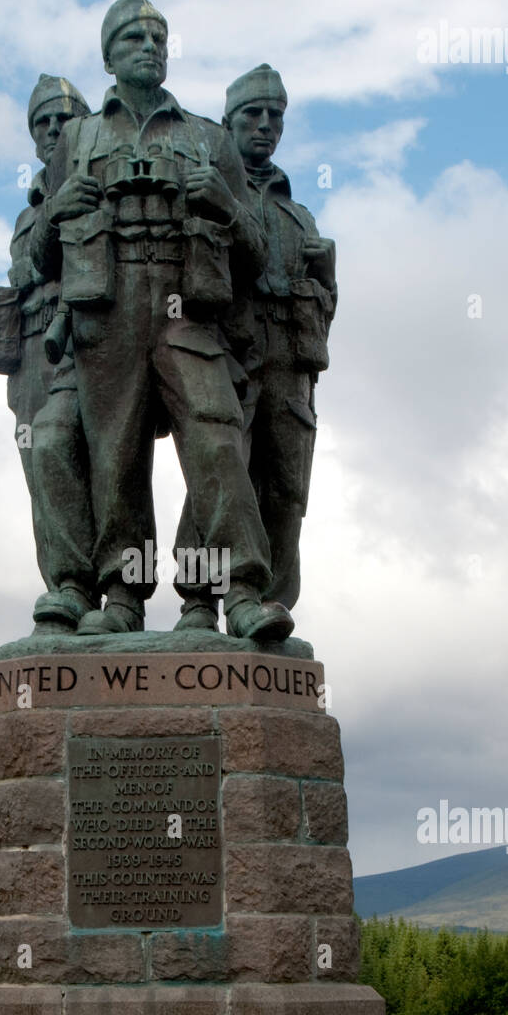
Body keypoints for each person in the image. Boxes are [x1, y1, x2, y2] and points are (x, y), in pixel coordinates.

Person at [30, 0, 293, 642]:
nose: (149, 49)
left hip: (187, 312)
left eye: (158, 39)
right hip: (109, 309)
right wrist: (59, 205)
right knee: (114, 457)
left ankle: (245, 591)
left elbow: (257, 257)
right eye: (133, 41)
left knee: (216, 438)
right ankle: (122, 595)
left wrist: (227, 206)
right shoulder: (78, 138)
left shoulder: (208, 137)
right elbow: (43, 259)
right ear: (108, 56)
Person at [174, 64, 337, 627]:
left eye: (276, 116)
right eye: (253, 115)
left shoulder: (300, 216)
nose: (266, 126)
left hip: (291, 361)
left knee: (289, 490)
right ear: (228, 123)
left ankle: (272, 605)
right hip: (230, 349)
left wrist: (328, 275)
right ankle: (198, 600)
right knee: (219, 470)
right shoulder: (205, 188)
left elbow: (325, 305)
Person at [0, 74, 98, 631]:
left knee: (88, 459)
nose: (54, 129)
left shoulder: (93, 181)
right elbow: (25, 270)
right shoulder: (29, 209)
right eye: (43, 122)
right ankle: (63, 590)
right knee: (40, 468)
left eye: (63, 118)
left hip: (85, 334)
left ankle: (100, 589)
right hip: (31, 347)